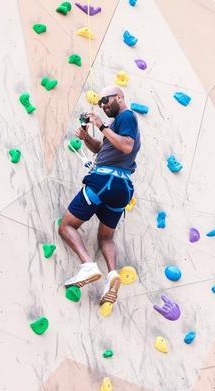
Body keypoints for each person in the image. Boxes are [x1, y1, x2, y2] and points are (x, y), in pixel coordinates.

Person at [59, 85, 140, 305]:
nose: (103, 105)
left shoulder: (127, 117)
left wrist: (100, 125)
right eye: (101, 103)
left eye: (106, 100)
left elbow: (126, 146)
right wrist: (87, 137)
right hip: (122, 188)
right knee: (105, 237)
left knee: (66, 226)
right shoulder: (116, 126)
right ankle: (112, 275)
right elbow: (102, 149)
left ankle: (88, 265)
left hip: (105, 180)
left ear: (119, 97)